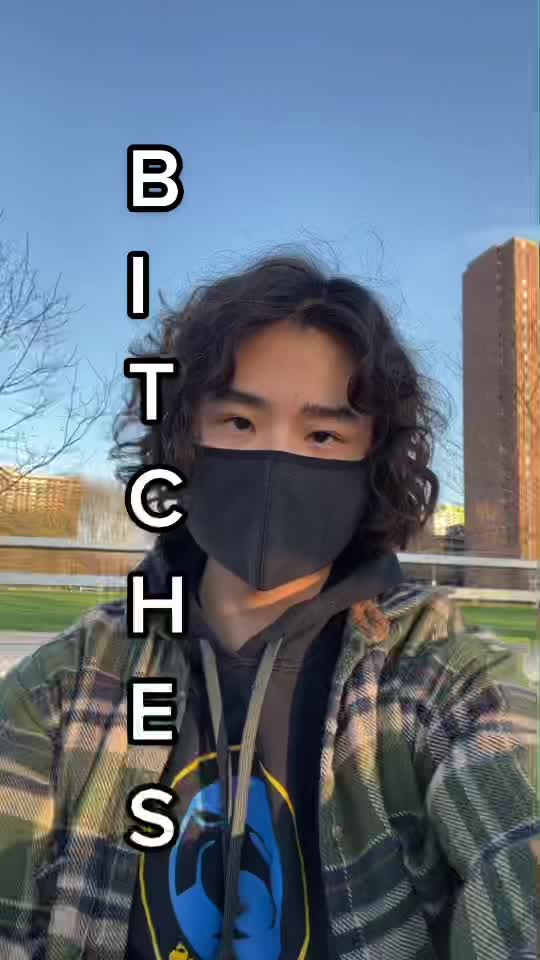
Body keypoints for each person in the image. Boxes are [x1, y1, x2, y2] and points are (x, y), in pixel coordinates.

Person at [0, 253, 537, 960]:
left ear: (373, 462)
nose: (275, 463)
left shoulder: (441, 681)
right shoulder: (67, 688)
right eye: (238, 422)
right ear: (181, 440)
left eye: (323, 435)